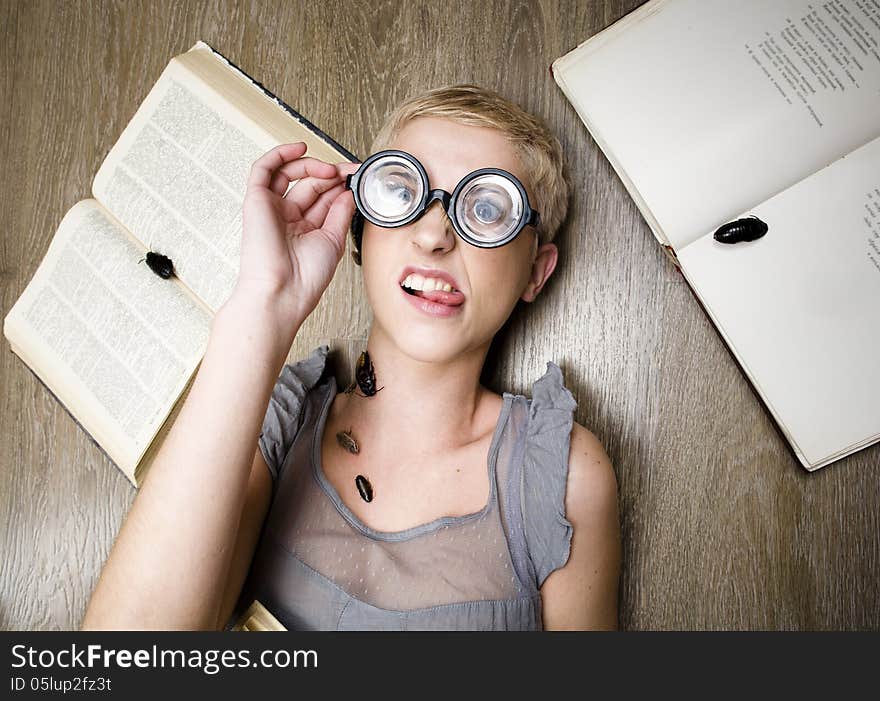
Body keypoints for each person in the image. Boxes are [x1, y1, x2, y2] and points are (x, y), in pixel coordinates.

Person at [81, 85, 621, 631]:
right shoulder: (278, 425)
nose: (435, 235)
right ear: (362, 227)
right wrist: (263, 304)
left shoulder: (561, 478)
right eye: (402, 188)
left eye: (486, 208)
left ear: (536, 270)